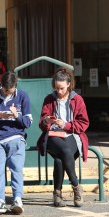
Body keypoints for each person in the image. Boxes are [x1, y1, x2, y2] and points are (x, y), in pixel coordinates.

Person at [0, 71, 33, 215]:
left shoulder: (22, 96)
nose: (7, 93)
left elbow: (28, 122)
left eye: (10, 91)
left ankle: (17, 199)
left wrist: (17, 115)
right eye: (5, 90)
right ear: (1, 85)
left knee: (16, 168)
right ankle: (0, 201)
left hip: (16, 137)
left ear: (15, 86)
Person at [38, 66, 89, 207]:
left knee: (60, 160)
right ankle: (76, 186)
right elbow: (41, 122)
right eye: (56, 88)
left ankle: (57, 193)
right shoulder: (49, 99)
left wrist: (66, 125)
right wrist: (47, 120)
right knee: (65, 151)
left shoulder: (77, 99)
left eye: (62, 88)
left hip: (71, 134)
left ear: (68, 84)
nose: (59, 91)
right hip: (53, 134)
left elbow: (84, 123)